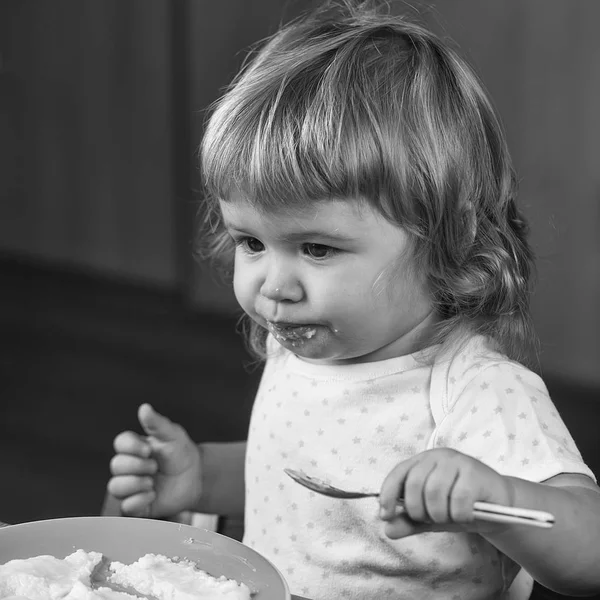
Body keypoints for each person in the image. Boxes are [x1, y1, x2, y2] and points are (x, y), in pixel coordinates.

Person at [107, 1, 600, 598]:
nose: (273, 286)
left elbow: (589, 554)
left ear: (448, 235)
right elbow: (308, 482)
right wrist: (200, 476)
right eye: (251, 242)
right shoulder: (306, 343)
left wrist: (495, 498)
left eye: (316, 249)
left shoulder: (474, 391)